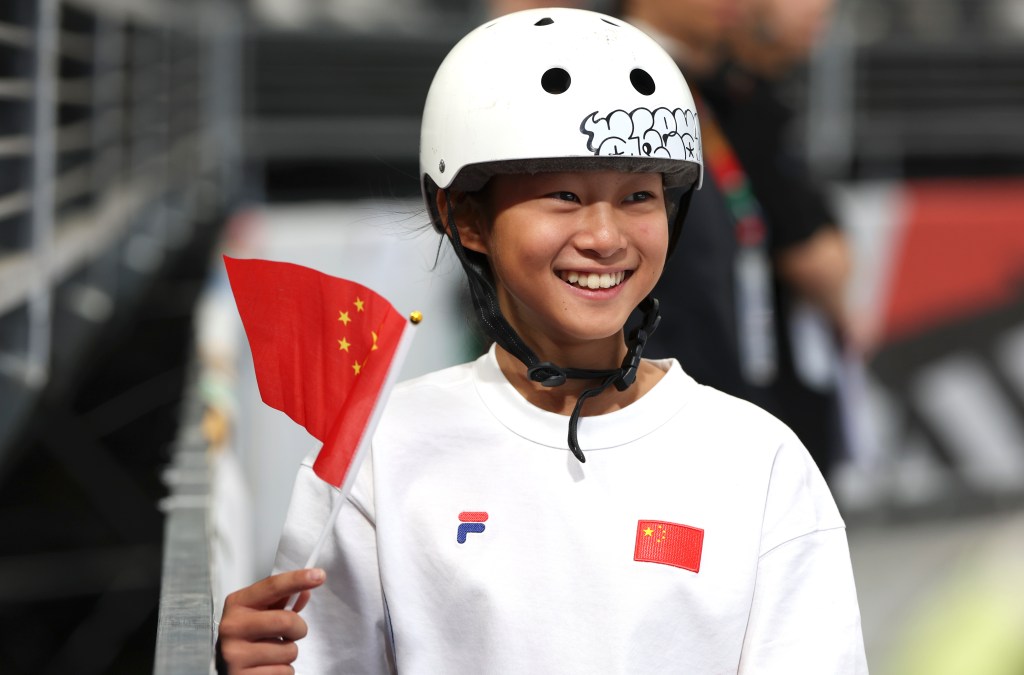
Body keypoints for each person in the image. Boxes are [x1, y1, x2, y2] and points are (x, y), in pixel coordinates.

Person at [216, 8, 868, 673]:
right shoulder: (377, 451)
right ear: (463, 216)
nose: (606, 236)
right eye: (563, 194)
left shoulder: (759, 461)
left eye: (639, 196)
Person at [619, 0, 858, 477]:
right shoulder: (615, 77)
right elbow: (815, 260)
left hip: (743, 386)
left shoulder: (729, 90)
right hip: (658, 398)